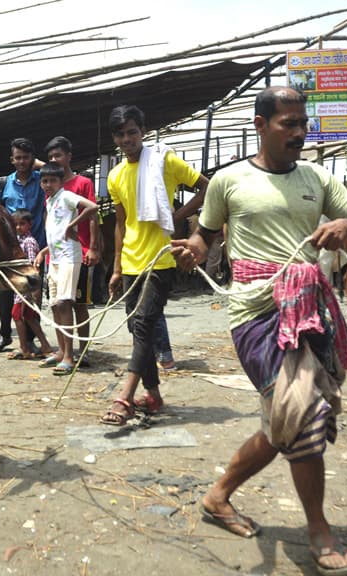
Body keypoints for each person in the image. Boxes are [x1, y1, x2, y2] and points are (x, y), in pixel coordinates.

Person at [170, 86, 347, 574]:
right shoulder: (228, 180)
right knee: (301, 414)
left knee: (283, 420)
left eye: (303, 123)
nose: (300, 133)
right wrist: (198, 247)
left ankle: (218, 496)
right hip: (253, 312)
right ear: (261, 125)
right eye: (289, 124)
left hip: (308, 306)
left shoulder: (318, 178)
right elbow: (208, 232)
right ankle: (318, 529)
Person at [101, 104, 208, 424]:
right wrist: (117, 267)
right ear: (114, 138)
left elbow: (208, 187)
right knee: (138, 330)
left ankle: (125, 396)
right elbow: (120, 224)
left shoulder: (164, 161)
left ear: (142, 132)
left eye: (132, 132)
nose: (126, 139)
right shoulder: (115, 175)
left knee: (145, 325)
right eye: (120, 134)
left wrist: (176, 217)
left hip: (162, 259)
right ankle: (155, 394)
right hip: (131, 263)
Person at [32, 162, 98, 374]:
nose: (47, 184)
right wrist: (44, 251)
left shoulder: (67, 196)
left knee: (64, 303)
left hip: (70, 257)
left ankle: (69, 356)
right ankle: (61, 351)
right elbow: (54, 233)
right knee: (54, 305)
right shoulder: (49, 201)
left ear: (61, 182)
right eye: (44, 181)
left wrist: (73, 225)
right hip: (55, 258)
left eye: (52, 181)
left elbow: (92, 207)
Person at [45, 136, 101, 364]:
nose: (54, 159)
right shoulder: (50, 191)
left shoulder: (82, 184)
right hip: (57, 254)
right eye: (50, 157)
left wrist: (94, 247)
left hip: (80, 250)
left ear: (69, 156)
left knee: (78, 303)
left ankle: (83, 350)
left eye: (58, 155)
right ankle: (62, 350)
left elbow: (93, 216)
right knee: (59, 303)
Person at [0, 138, 46, 353]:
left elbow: (63, 172)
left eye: (26, 157)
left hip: (36, 248)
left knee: (34, 294)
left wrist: (40, 165)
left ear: (33, 158)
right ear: (12, 159)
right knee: (6, 294)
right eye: (18, 157)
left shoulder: (43, 180)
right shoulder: (3, 184)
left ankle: (30, 339)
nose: (22, 161)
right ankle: (5, 336)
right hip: (11, 252)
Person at [7, 210, 53, 360]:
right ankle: (44, 345)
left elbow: (33, 267)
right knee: (28, 316)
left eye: (22, 224)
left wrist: (33, 290)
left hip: (25, 287)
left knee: (17, 314)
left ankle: (24, 348)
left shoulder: (29, 242)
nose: (19, 227)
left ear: (30, 224)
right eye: (16, 225)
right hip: (19, 286)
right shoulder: (18, 241)